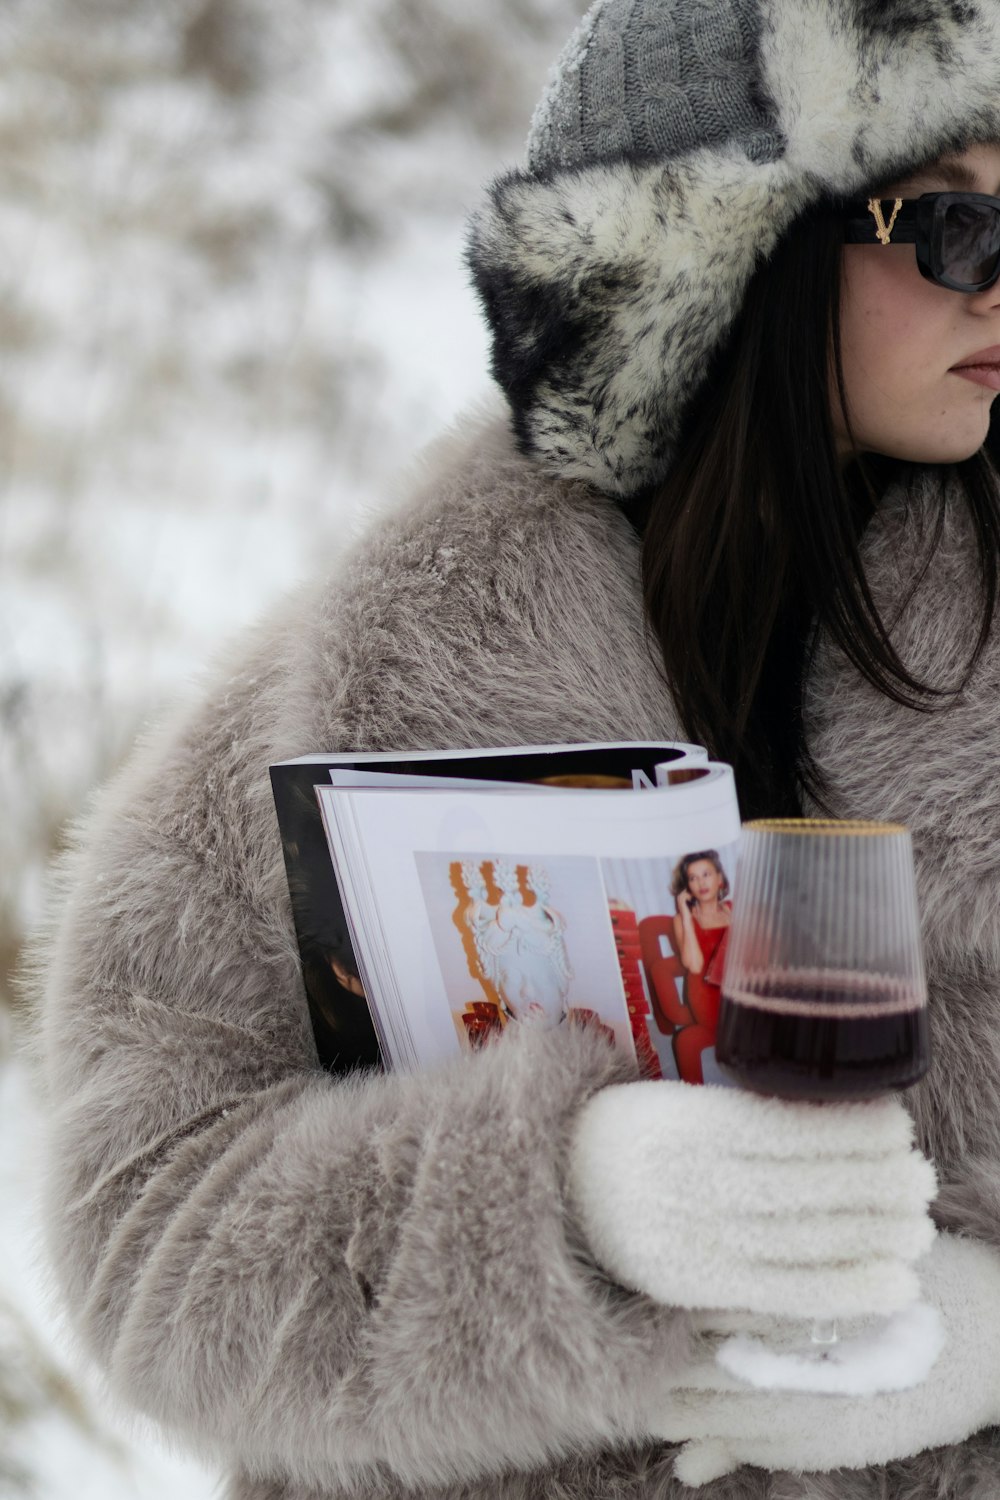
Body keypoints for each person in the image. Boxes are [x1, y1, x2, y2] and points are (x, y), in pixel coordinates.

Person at [32, 2, 1000, 1497]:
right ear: (728, 249)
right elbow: (152, 1244)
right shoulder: (367, 694)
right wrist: (567, 1203)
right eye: (952, 225)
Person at [670, 850, 732, 1084]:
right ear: (687, 887)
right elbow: (694, 966)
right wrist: (685, 915)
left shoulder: (733, 910)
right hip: (707, 996)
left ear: (720, 879)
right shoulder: (682, 920)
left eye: (706, 874)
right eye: (693, 878)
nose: (700, 882)